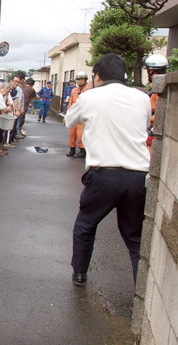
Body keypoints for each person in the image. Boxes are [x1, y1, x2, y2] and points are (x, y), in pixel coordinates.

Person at [65, 53, 150, 288]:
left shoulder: (89, 96)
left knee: (86, 224)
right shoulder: (142, 97)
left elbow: (69, 121)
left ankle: (80, 274)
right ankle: (140, 288)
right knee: (134, 236)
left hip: (104, 175)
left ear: (97, 75)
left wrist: (89, 92)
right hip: (138, 175)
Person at [65, 71, 88, 158]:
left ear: (85, 80)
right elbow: (70, 103)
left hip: (83, 114)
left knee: (80, 133)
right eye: (78, 79)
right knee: (72, 132)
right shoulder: (74, 90)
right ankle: (72, 149)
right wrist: (68, 114)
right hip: (74, 114)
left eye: (82, 79)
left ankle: (82, 150)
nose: (80, 81)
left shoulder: (87, 90)